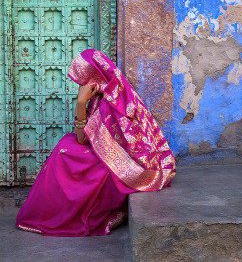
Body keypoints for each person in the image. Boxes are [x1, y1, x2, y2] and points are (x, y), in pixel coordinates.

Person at [15, 49, 176, 236]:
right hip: (111, 152)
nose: (81, 84)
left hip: (124, 164)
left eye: (83, 78)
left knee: (65, 155)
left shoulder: (109, 103)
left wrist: (80, 103)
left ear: (94, 76)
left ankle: (59, 213)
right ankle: (51, 210)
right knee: (64, 146)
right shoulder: (110, 93)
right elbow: (84, 135)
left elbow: (82, 139)